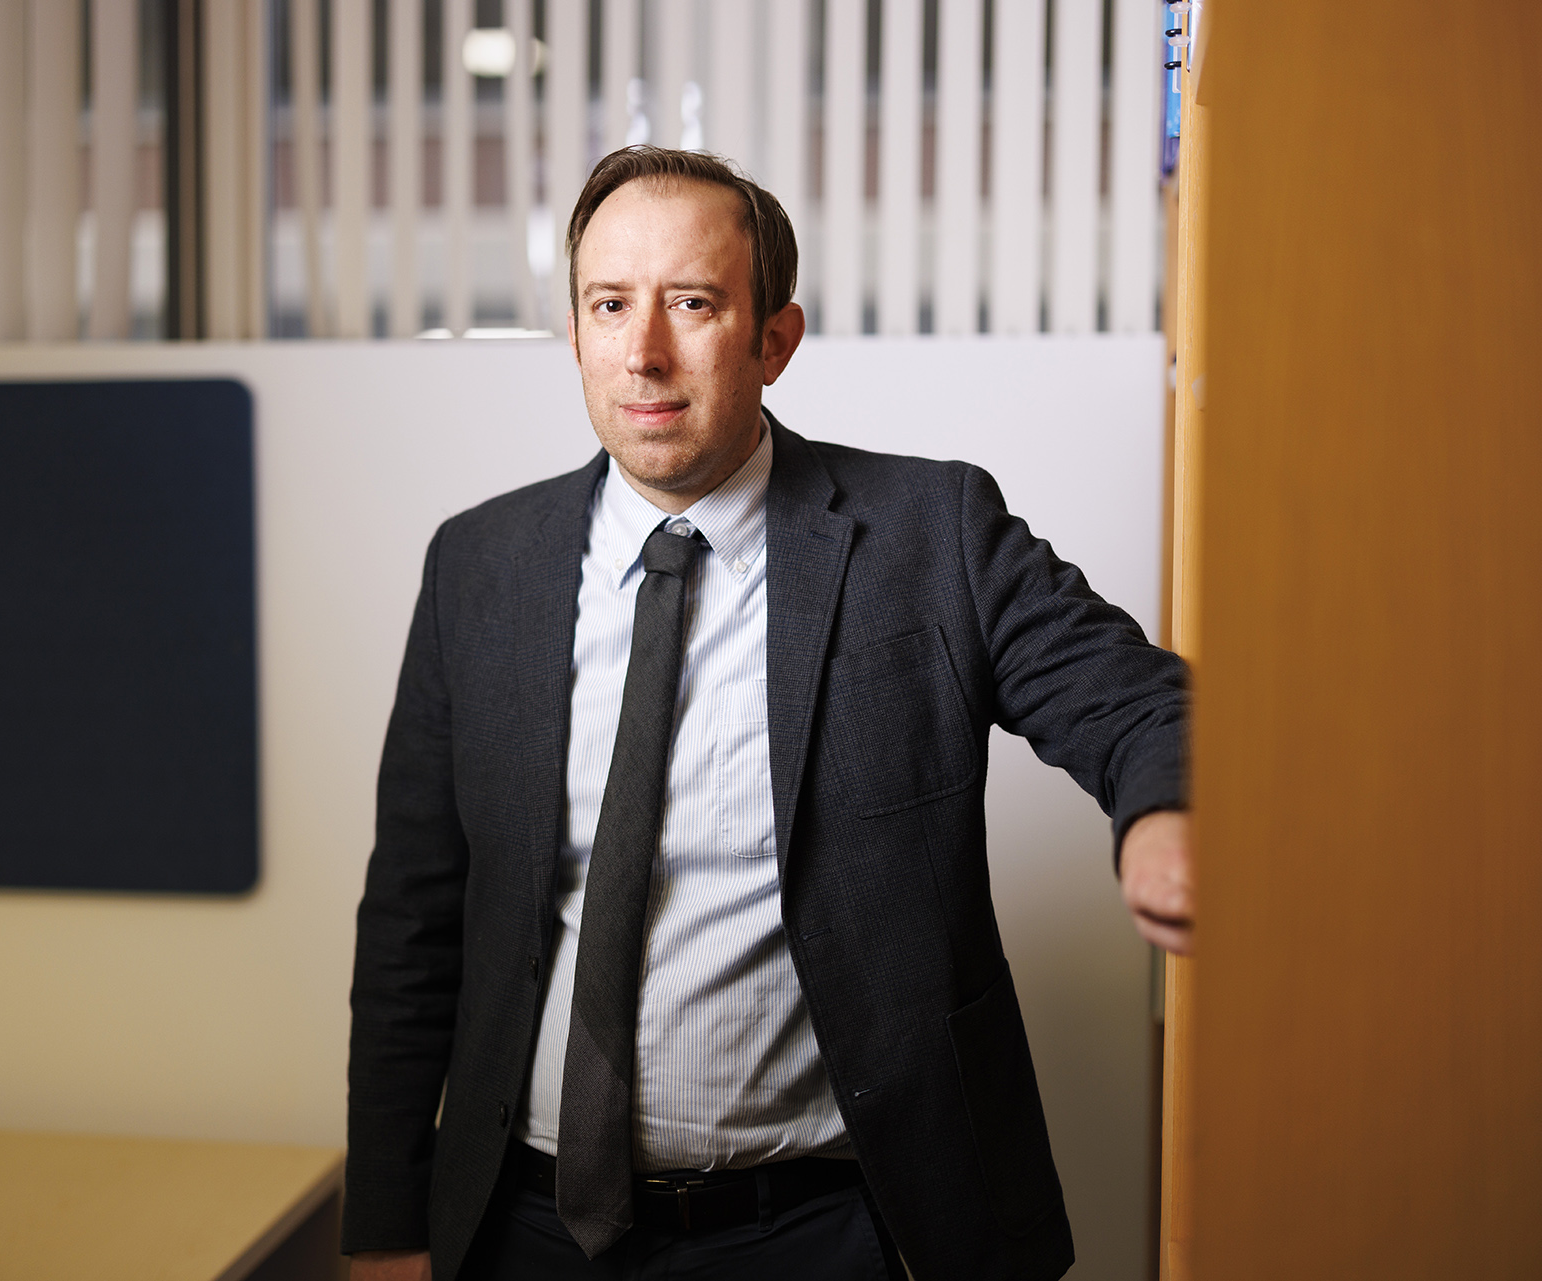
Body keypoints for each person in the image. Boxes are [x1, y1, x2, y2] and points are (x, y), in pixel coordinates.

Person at [344, 147, 1193, 1281]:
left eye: (693, 303)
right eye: (610, 305)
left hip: (824, 1231)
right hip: (523, 1229)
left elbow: (1138, 704)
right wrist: (388, 1223)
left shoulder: (931, 533)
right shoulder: (478, 565)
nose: (644, 351)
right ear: (576, 333)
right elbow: (411, 916)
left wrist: (1165, 811)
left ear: (775, 341)